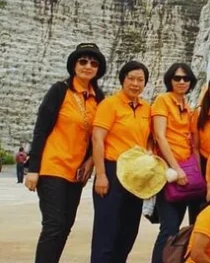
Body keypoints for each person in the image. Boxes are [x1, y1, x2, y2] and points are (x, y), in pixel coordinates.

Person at [25, 43, 106, 263]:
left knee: (65, 226)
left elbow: (99, 136)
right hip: (53, 166)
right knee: (54, 225)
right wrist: (33, 169)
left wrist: (90, 161)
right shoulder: (60, 90)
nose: (88, 66)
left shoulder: (99, 98)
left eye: (94, 63)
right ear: (74, 65)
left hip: (76, 172)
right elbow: (41, 130)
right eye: (83, 61)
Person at [90, 60, 151, 262]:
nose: (135, 83)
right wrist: (101, 175)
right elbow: (97, 139)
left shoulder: (146, 108)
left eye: (140, 80)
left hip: (136, 175)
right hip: (112, 171)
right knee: (106, 231)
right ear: (122, 80)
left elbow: (150, 139)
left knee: (128, 231)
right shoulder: (109, 105)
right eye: (131, 78)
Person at [151, 62, 203, 263]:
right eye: (177, 78)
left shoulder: (187, 108)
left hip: (185, 173)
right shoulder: (163, 100)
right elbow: (160, 136)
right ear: (169, 80)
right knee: (169, 229)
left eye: (186, 78)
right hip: (170, 172)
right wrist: (176, 168)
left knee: (179, 230)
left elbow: (191, 143)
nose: (182, 82)